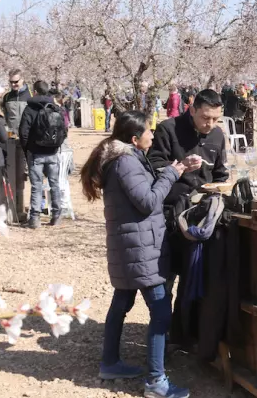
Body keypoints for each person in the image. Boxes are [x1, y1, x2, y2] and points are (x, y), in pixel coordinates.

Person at [79, 110, 191, 398]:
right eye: (148, 132)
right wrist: (171, 174)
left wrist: (174, 170)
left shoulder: (125, 158)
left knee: (121, 304)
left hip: (130, 247)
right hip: (140, 251)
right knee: (161, 312)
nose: (153, 136)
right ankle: (156, 382)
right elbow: (148, 201)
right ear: (133, 138)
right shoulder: (125, 162)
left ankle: (110, 363)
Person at [148, 89, 228, 206]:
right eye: (205, 118)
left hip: (206, 204)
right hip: (172, 204)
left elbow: (220, 174)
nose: (210, 124)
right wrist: (182, 166)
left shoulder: (217, 134)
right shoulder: (168, 129)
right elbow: (152, 165)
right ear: (192, 110)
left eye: (215, 119)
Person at [19, 80, 65, 229]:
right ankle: (57, 215)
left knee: (36, 186)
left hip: (35, 152)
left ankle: (35, 218)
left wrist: (27, 150)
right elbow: (64, 131)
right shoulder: (55, 108)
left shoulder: (30, 109)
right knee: (55, 184)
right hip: (52, 152)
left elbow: (23, 132)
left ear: (35, 91)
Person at [2, 69, 32, 135]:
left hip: (27, 137)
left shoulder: (31, 95)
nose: (13, 84)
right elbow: (4, 117)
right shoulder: (7, 97)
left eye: (16, 82)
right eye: (11, 82)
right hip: (11, 137)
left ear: (22, 79)